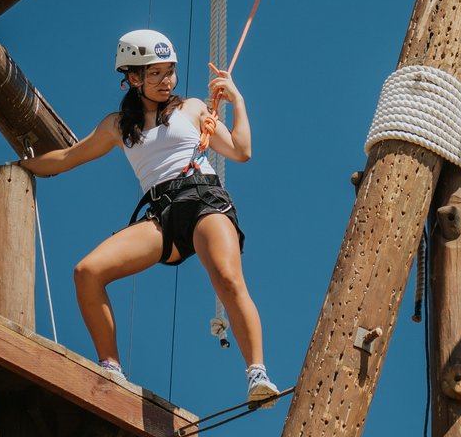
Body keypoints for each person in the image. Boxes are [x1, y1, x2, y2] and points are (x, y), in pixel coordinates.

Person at [19, 28, 278, 404]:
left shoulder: (191, 109)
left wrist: (236, 100)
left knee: (226, 276)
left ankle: (257, 373)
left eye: (169, 71)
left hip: (203, 199)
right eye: (154, 73)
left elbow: (241, 151)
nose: (165, 80)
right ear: (132, 78)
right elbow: (66, 158)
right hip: (161, 214)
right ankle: (111, 370)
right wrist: (17, 165)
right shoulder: (117, 126)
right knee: (87, 273)